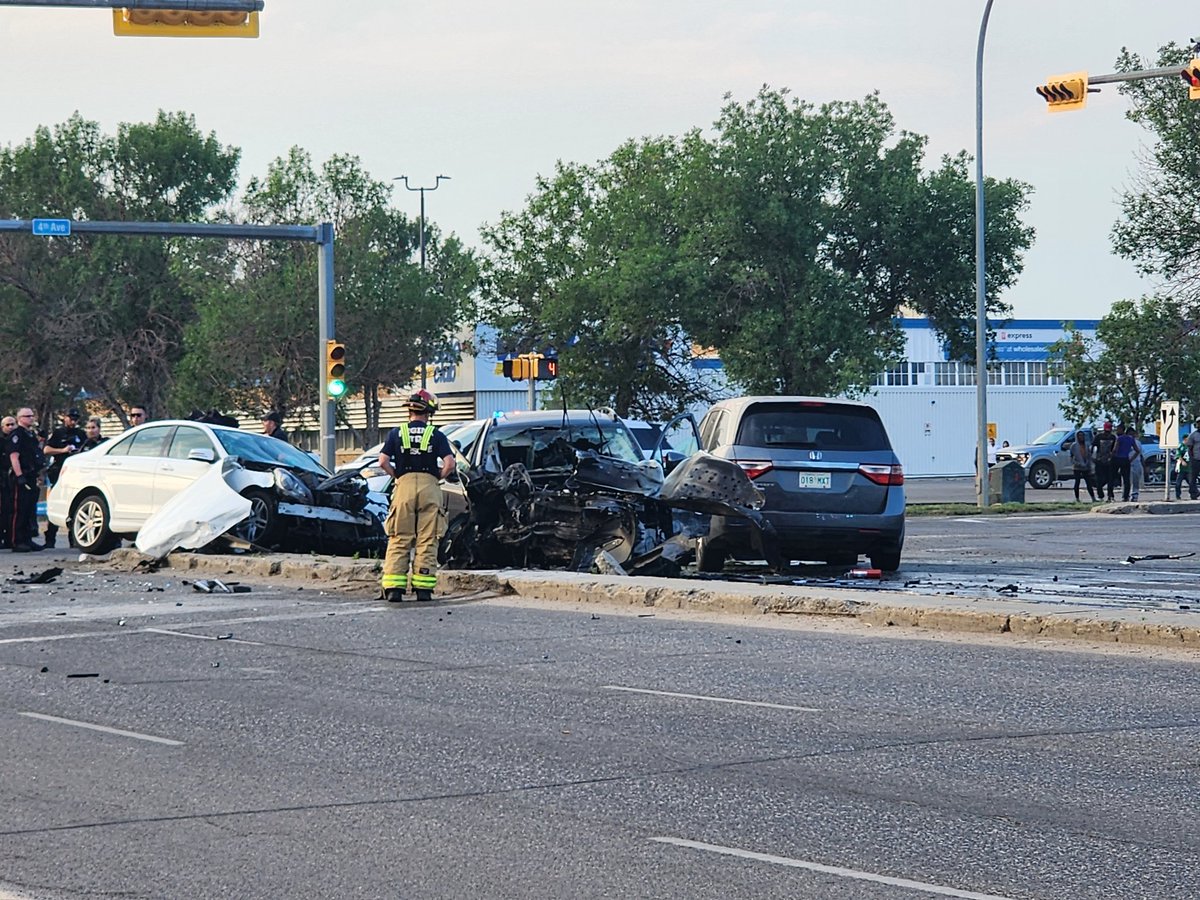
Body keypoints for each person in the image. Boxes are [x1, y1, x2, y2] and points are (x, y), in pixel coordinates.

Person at [378, 390, 455, 603]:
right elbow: (449, 464)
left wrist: (398, 477)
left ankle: (394, 588)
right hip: (429, 486)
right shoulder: (436, 435)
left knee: (399, 537)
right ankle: (423, 589)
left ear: (409, 411)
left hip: (404, 485)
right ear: (428, 412)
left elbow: (382, 461)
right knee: (428, 538)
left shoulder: (396, 433)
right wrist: (436, 477)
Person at [42, 408, 86, 548]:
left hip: (75, 474)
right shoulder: (58, 433)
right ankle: (50, 539)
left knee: (74, 505)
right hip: (59, 471)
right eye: (70, 418)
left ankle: (73, 539)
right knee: (56, 504)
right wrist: (62, 450)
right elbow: (47, 450)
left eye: (75, 419)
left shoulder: (81, 434)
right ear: (65, 418)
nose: (73, 421)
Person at [8, 408, 43, 552]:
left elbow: (36, 454)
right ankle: (17, 541)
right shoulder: (17, 435)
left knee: (29, 510)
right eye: (28, 416)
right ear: (20, 418)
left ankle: (27, 539)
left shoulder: (31, 435)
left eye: (32, 416)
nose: (31, 418)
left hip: (31, 475)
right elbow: (14, 457)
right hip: (20, 476)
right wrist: (19, 476)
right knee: (19, 510)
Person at [1069, 430, 1095, 502]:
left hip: (1086, 467)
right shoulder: (1074, 446)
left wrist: (1089, 465)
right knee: (1077, 482)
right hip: (1077, 467)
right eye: (1079, 436)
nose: (1081, 437)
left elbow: (1089, 456)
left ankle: (1093, 498)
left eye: (1082, 436)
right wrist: (1077, 463)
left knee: (1089, 483)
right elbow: (1071, 457)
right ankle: (1077, 498)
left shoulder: (1086, 445)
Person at [1093, 420, 1116, 501]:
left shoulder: (1113, 437)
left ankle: (1110, 495)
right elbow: (1093, 447)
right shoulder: (1099, 437)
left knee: (1109, 479)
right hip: (1100, 461)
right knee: (1100, 479)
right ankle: (1101, 495)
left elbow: (1115, 449)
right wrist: (1093, 458)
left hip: (1109, 461)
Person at [0, 416, 14, 549]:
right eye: (7, 425)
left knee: (9, 510)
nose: (10, 427)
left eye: (12, 424)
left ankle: (9, 538)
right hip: (2, 477)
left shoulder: (16, 440)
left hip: (10, 479)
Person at [1113, 423, 1135, 502]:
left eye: (1118, 429)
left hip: (1118, 459)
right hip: (1126, 459)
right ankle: (1126, 496)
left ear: (1122, 430)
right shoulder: (1130, 439)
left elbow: (1115, 449)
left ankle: (1111, 495)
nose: (1117, 431)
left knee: (1113, 476)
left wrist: (1112, 454)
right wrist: (1131, 459)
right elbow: (1137, 450)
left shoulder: (1119, 438)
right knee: (1126, 479)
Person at [1128, 428, 1145, 502]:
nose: (1131, 436)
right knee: (1127, 481)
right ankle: (1126, 495)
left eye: (1133, 434)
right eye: (1130, 434)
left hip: (1136, 463)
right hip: (1127, 463)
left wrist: (1144, 465)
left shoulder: (1138, 443)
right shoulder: (1126, 442)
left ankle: (1134, 496)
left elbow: (1141, 455)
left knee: (1135, 481)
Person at [1186, 418, 1200, 500]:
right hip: (1196, 459)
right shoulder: (1193, 435)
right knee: (1192, 478)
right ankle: (1194, 493)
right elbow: (1189, 448)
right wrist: (1192, 459)